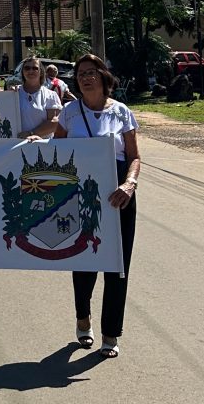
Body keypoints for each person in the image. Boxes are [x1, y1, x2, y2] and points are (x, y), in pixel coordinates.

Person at [53, 53, 141, 359]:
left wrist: (129, 184)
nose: (85, 77)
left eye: (91, 72)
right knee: (84, 257)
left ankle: (110, 333)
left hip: (119, 192)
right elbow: (57, 154)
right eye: (80, 74)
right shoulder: (69, 114)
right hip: (80, 192)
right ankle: (83, 318)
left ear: (103, 76)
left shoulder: (121, 112)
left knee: (117, 265)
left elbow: (134, 156)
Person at [14, 55, 61, 140]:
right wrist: (8, 95)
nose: (30, 71)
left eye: (35, 68)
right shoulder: (13, 93)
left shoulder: (50, 95)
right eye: (27, 68)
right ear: (22, 72)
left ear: (41, 72)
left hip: (42, 146)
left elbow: (54, 123)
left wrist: (31, 133)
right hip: (15, 145)